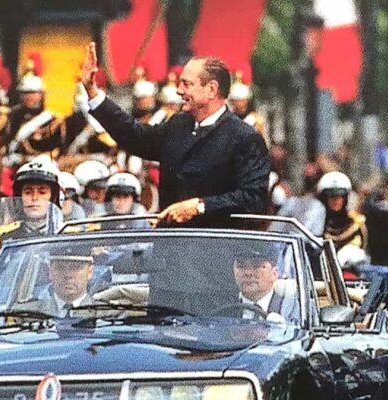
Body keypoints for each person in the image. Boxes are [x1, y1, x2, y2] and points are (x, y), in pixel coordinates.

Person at [79, 42, 269, 227]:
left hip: (216, 252)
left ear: (211, 89)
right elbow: (135, 136)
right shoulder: (177, 125)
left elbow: (253, 198)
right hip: (169, 248)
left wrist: (200, 206)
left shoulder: (244, 137)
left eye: (187, 84)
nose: (179, 91)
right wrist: (92, 92)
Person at [21, 250, 98, 317]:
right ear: (50, 272)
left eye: (75, 267)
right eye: (60, 267)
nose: (68, 275)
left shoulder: (105, 315)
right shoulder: (25, 314)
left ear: (89, 272)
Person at [232, 251, 296, 323]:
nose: (248, 273)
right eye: (241, 266)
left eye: (256, 266)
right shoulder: (224, 310)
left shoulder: (291, 310)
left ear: (274, 274)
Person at [318, 172, 367, 251]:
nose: (336, 201)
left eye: (340, 196)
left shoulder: (355, 222)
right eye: (331, 196)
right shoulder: (316, 221)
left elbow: (363, 249)